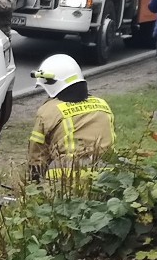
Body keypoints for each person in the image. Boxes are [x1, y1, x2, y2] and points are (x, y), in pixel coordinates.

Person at [28, 54, 115, 182]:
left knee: (53, 167)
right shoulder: (103, 105)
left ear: (52, 83)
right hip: (106, 174)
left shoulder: (47, 112)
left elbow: (37, 155)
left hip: (67, 178)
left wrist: (33, 185)